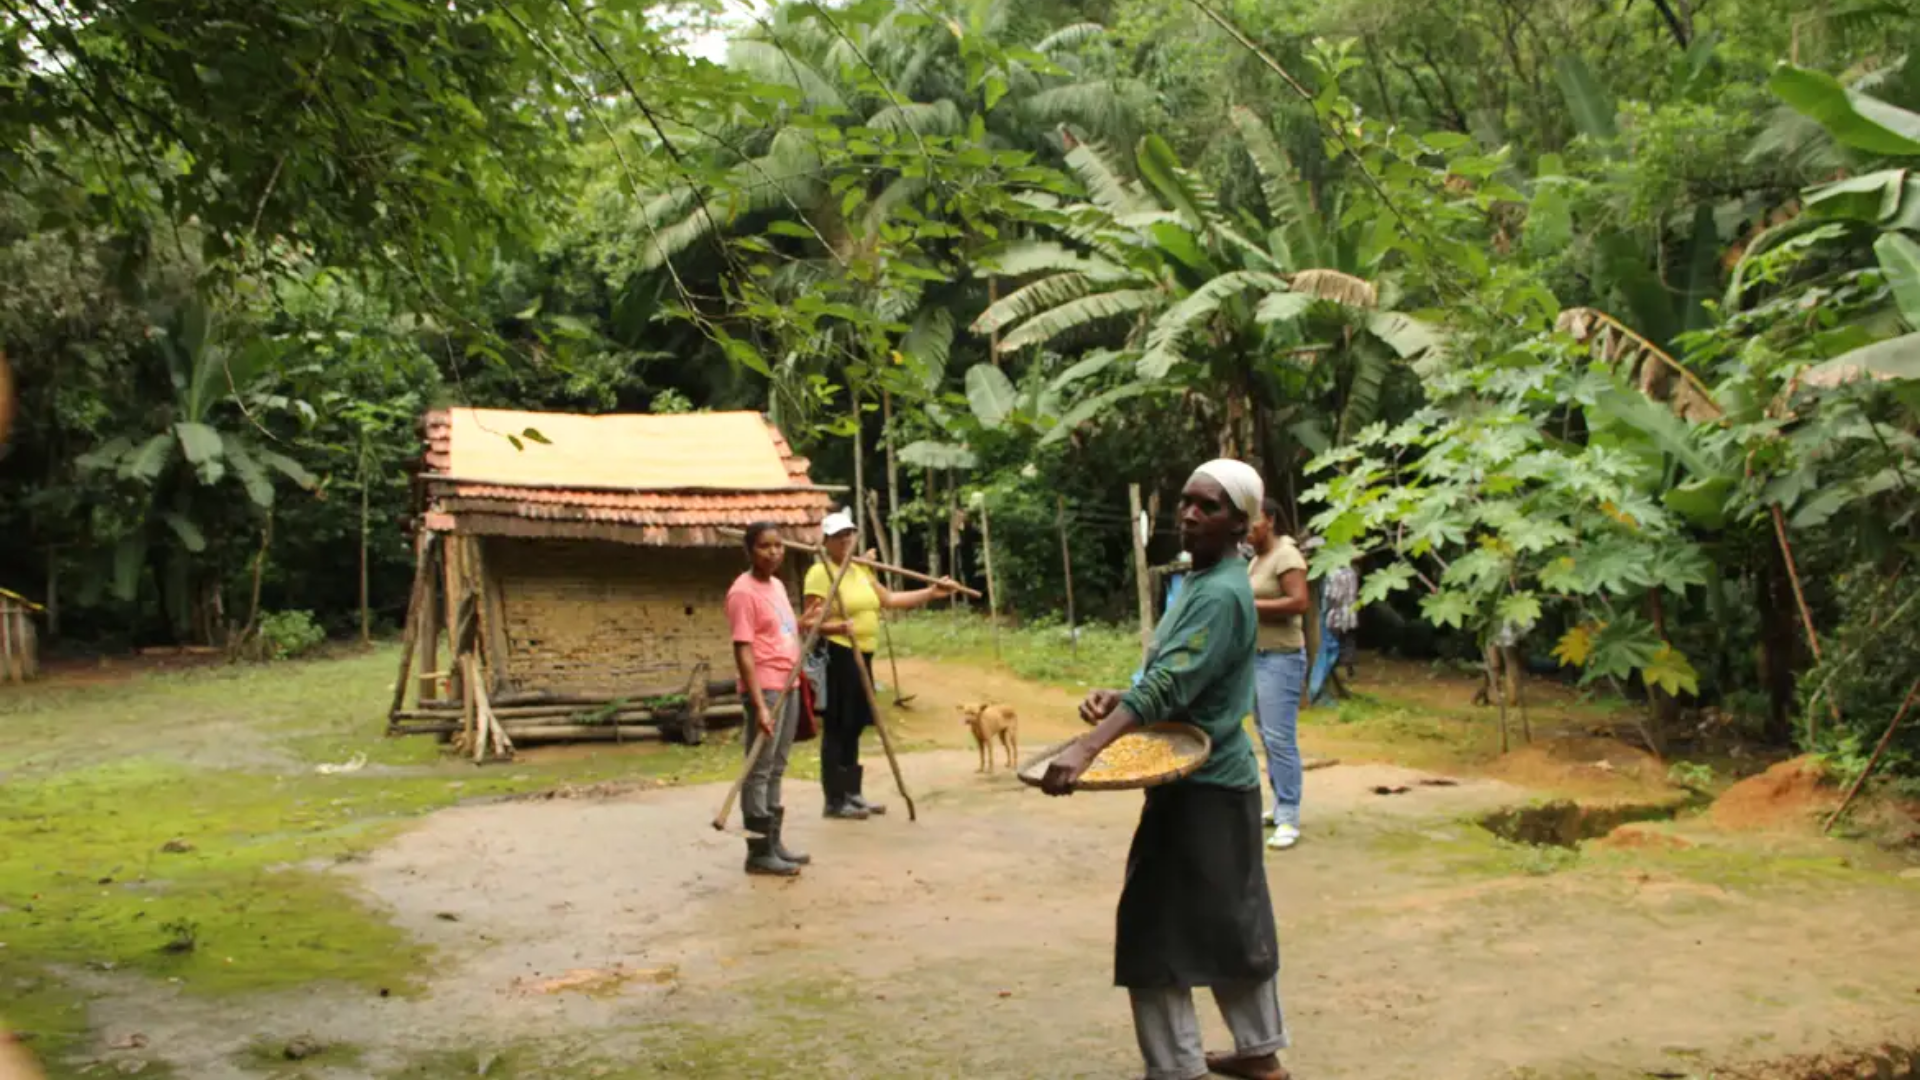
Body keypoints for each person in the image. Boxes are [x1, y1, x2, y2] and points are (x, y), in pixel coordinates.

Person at [1042, 460, 1292, 1080]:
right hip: (1201, 780)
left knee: (1153, 936)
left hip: (1204, 786)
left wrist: (1087, 746)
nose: (1187, 514)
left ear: (1240, 522)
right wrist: (1118, 696)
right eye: (1184, 502)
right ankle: (1259, 1050)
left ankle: (1178, 1068)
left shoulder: (1222, 593)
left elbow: (1169, 685)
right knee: (1230, 920)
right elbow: (1166, 680)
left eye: (1206, 506)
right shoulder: (1201, 582)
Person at [803, 511, 956, 820]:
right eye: (838, 536)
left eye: (849, 534)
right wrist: (836, 628)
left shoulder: (861, 569)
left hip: (865, 654)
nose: (845, 540)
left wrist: (930, 593)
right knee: (838, 725)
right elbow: (810, 622)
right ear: (827, 541)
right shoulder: (821, 572)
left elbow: (889, 599)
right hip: (839, 653)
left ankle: (853, 794)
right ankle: (834, 800)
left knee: (856, 724)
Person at [726, 522, 811, 876]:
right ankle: (758, 851)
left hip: (788, 683)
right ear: (749, 551)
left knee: (776, 765)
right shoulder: (742, 593)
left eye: (778, 546)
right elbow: (743, 649)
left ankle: (774, 843)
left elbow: (784, 631)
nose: (774, 552)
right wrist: (760, 704)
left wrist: (808, 621)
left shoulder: (776, 585)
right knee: (759, 770)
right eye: (765, 546)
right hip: (766, 687)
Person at [1248, 499, 1311, 850]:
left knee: (1280, 740)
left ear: (1270, 520)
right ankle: (1279, 804)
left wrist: (1249, 604)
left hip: (1281, 659)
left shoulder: (1286, 555)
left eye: (1254, 522)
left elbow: (1299, 602)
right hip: (1257, 658)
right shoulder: (1257, 559)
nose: (1248, 530)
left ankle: (1289, 816)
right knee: (1267, 737)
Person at [1323, 559, 1361, 681]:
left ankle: (1333, 669)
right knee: (1349, 640)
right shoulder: (1352, 572)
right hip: (1351, 612)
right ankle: (1349, 669)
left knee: (1333, 641)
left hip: (1336, 613)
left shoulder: (1332, 573)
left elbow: (1332, 595)